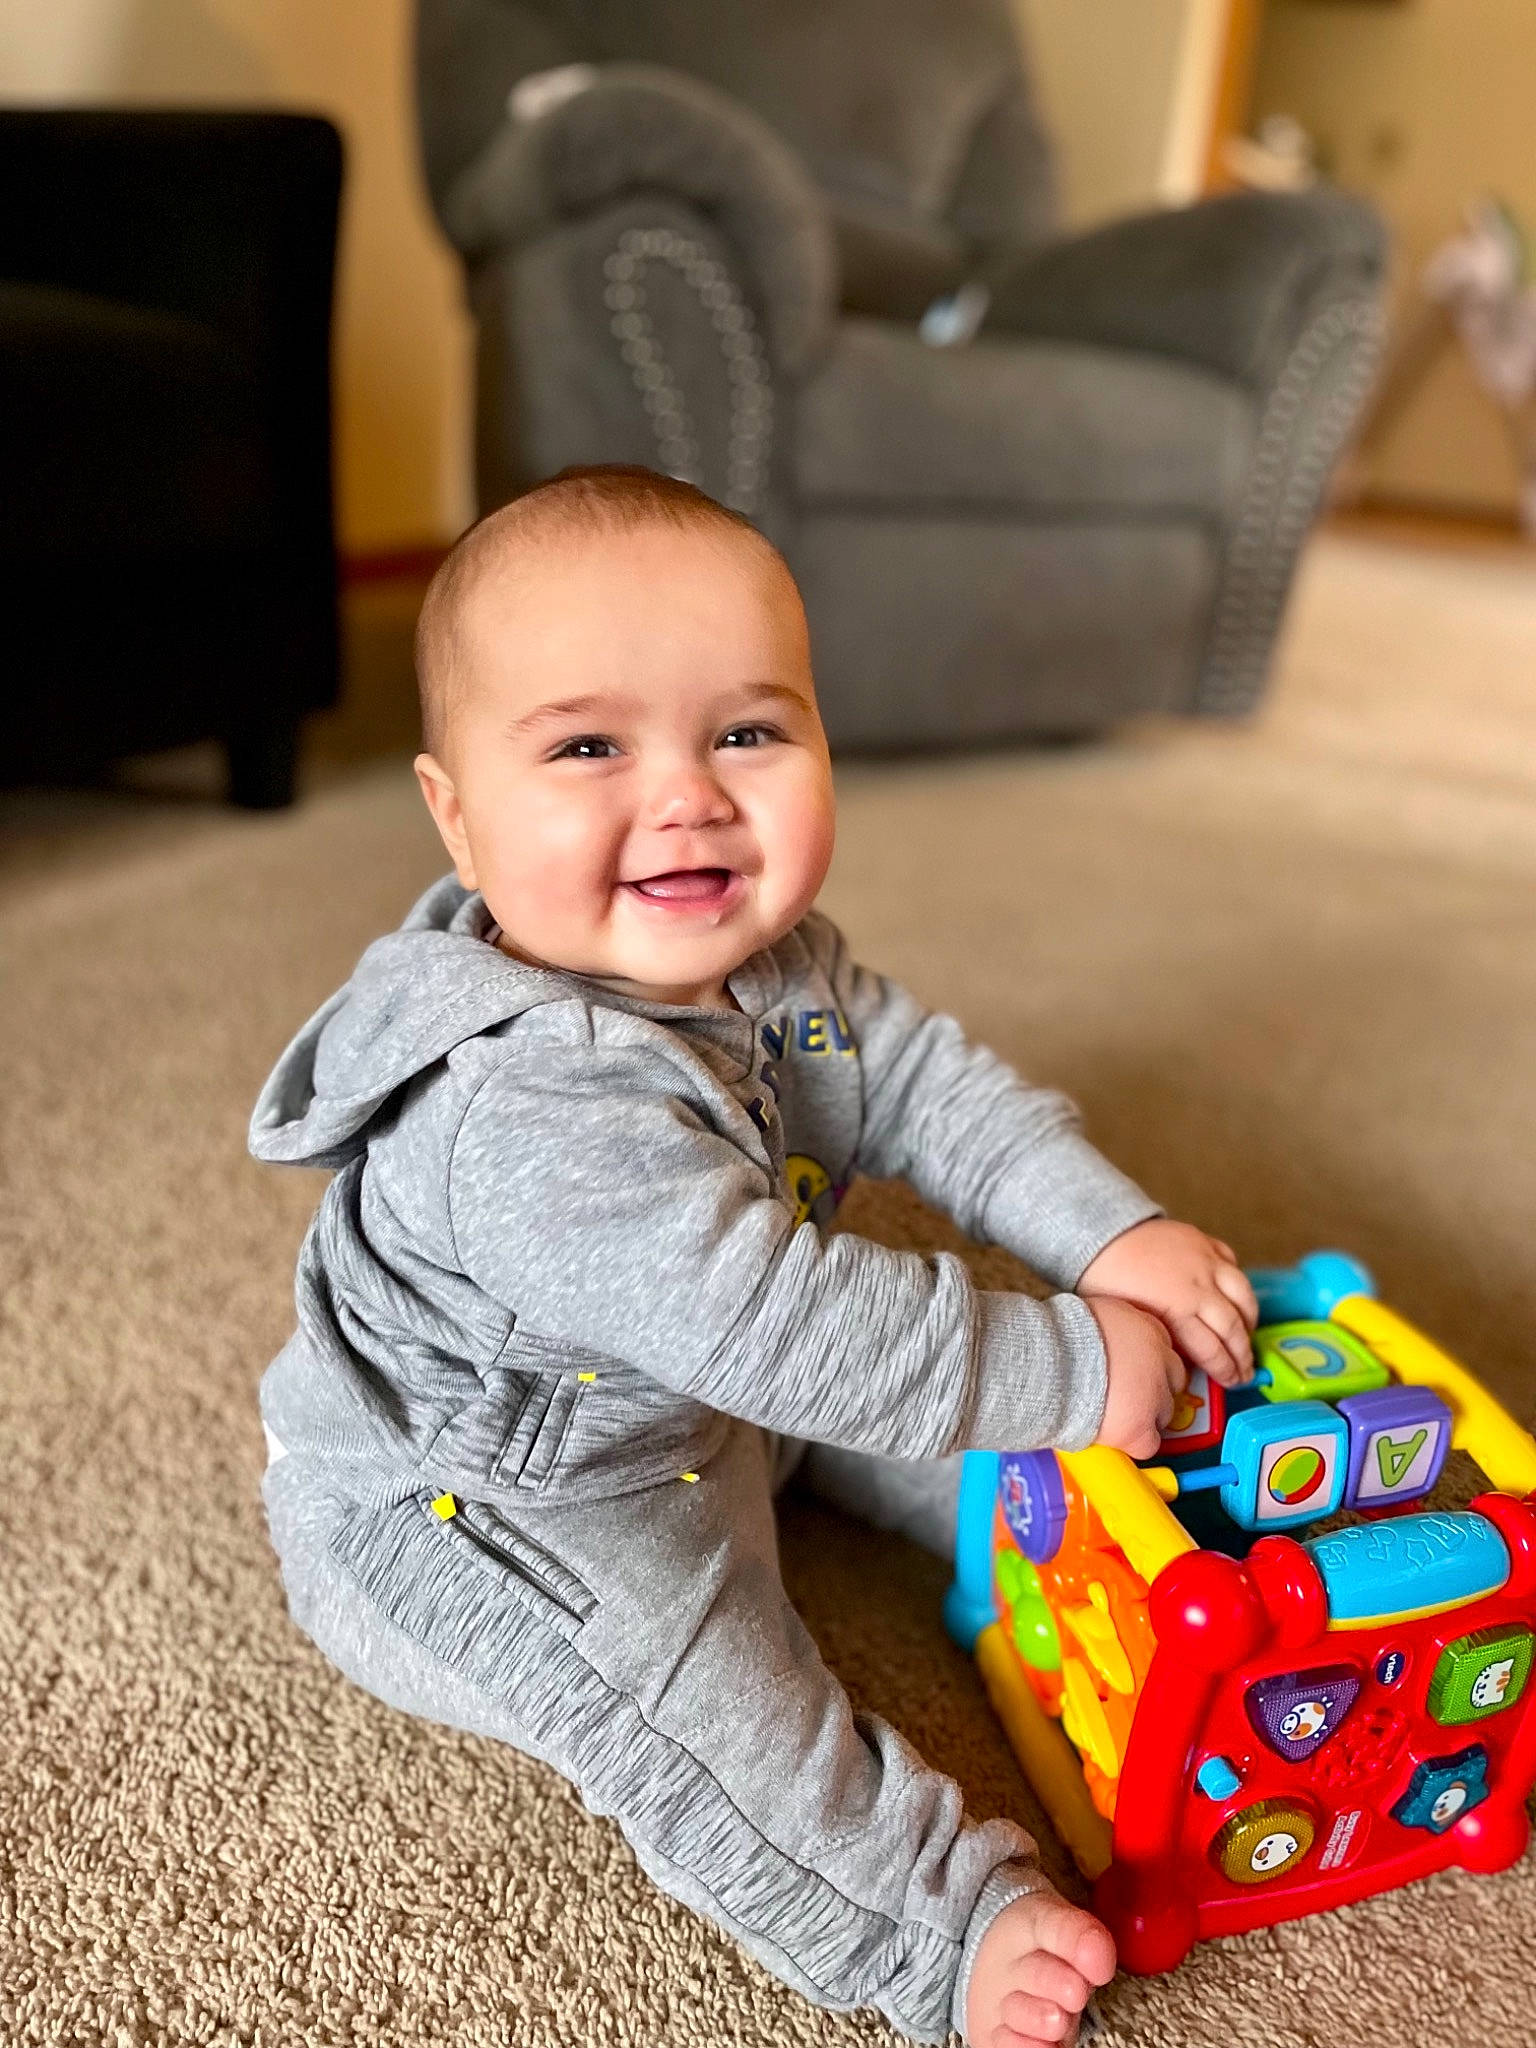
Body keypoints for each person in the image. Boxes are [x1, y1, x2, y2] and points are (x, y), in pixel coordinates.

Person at [249, 464, 1258, 2048]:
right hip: (493, 1510)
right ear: (456, 811)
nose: (689, 796)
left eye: (748, 732)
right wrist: (1072, 1361)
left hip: (690, 1397)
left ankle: (1067, 1526)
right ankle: (933, 1930)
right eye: (590, 746)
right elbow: (783, 1327)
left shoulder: (775, 966)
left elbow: (927, 1085)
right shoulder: (525, 1107)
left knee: (953, 1433)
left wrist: (1109, 1230)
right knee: (714, 1712)